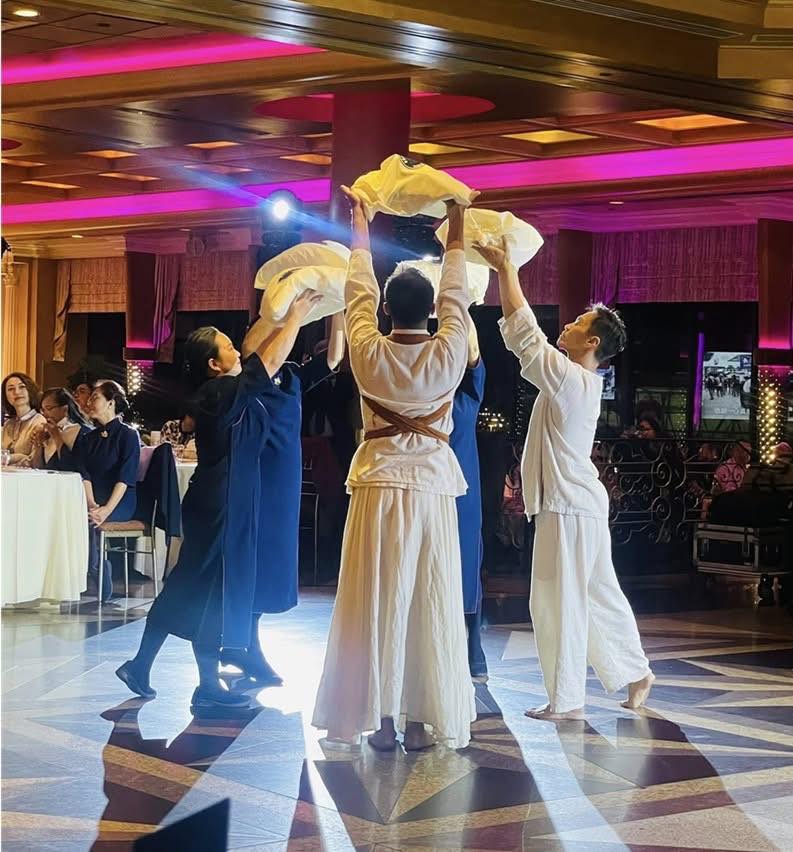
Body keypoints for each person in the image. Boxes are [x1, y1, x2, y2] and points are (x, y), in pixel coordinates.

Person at [312, 188, 476, 752]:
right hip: (430, 488)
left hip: (379, 488)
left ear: (386, 309)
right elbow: (456, 292)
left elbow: (357, 288)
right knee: (428, 600)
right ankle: (420, 720)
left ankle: (380, 719)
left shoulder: (367, 351)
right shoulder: (449, 352)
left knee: (375, 599)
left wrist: (360, 222)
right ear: (430, 311)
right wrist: (457, 220)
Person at [115, 291, 322, 714]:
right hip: (221, 502)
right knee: (213, 590)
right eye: (229, 347)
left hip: (215, 499)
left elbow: (266, 365)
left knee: (188, 585)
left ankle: (140, 665)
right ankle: (207, 685)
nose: (237, 350)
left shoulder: (221, 392)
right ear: (214, 364)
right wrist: (297, 316)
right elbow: (266, 362)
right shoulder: (219, 392)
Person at [477, 236, 653, 721]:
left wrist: (506, 269)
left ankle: (568, 698)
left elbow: (525, 335)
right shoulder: (576, 380)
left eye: (577, 323)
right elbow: (527, 339)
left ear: (592, 343)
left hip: (569, 506)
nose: (568, 325)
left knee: (559, 601)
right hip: (576, 505)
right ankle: (635, 671)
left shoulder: (572, 379)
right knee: (596, 592)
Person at [229, 308, 345, 687]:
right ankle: (242, 643)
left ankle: (245, 642)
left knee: (272, 562)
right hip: (255, 477)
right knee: (252, 560)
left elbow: (333, 358)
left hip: (284, 480)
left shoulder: (290, 375)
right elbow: (261, 350)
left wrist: (338, 309)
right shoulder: (248, 377)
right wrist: (295, 310)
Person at [73, 381, 140, 602]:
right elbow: (84, 474)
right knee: (78, 516)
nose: (89, 402)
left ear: (110, 403)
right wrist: (92, 504)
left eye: (95, 398)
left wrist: (106, 510)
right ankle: (88, 571)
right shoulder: (87, 438)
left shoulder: (128, 435)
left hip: (120, 501)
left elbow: (125, 477)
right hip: (94, 498)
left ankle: (96, 571)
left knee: (91, 521)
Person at [450, 314, 488, 679]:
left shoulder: (466, 398)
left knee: (467, 566)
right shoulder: (423, 395)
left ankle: (473, 646)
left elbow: (474, 353)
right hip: (430, 490)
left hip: (463, 496)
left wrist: (461, 309)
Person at [33, 387, 92, 471]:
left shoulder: (82, 432)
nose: (44, 414)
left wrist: (57, 436)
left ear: (65, 409)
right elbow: (37, 467)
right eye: (43, 410)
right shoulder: (46, 433)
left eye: (49, 408)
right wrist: (38, 443)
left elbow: (71, 467)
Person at [1, 372, 46, 466]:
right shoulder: (8, 424)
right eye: (11, 389)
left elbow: (36, 461)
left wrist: (11, 458)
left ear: (30, 390)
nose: (17, 392)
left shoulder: (40, 421)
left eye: (21, 387)